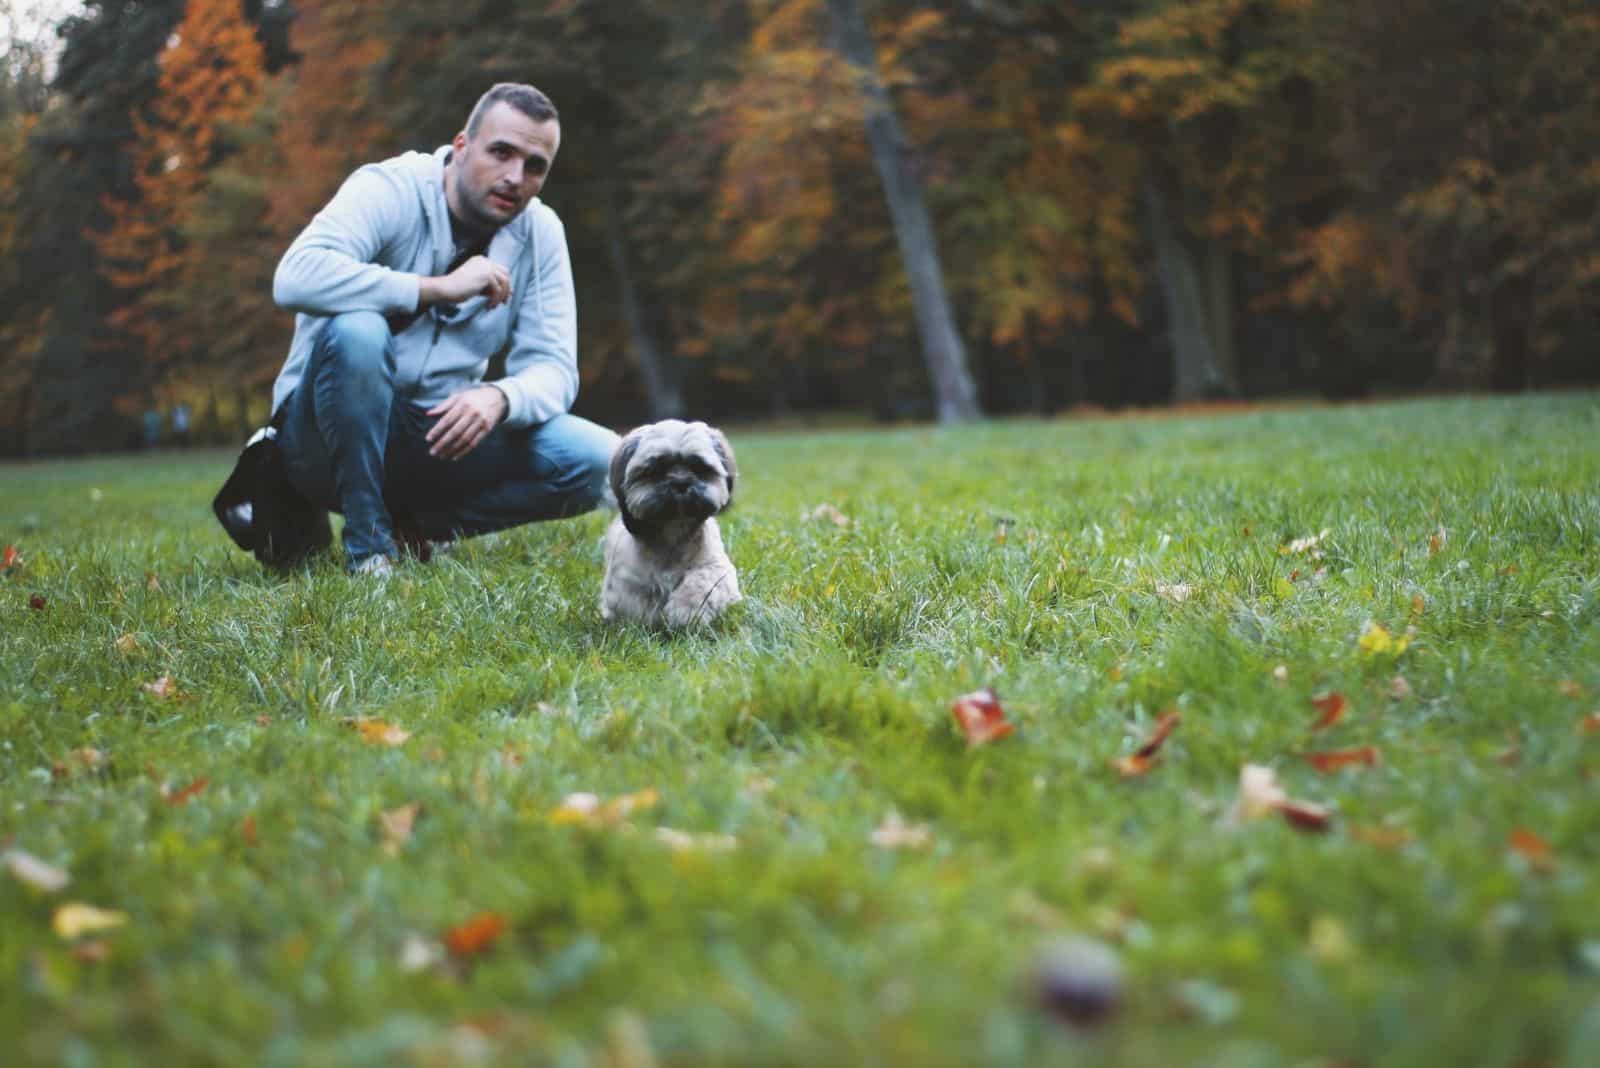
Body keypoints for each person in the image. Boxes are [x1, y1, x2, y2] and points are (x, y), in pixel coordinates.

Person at [269, 82, 617, 574]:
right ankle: (369, 551)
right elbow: (295, 276)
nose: (515, 177)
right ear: (461, 146)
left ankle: (418, 525)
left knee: (602, 460)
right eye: (501, 152)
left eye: (535, 166)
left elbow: (555, 369)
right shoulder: (389, 188)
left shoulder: (541, 232)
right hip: (321, 437)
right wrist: (435, 287)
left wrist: (500, 398)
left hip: (436, 434)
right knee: (358, 333)